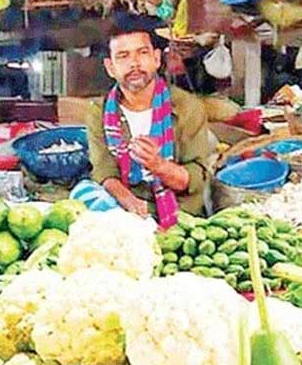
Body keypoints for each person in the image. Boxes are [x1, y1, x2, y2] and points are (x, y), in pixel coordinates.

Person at [84, 21, 212, 228]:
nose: (134, 63)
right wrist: (129, 202)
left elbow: (194, 180)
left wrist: (158, 165)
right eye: (123, 56)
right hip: (125, 217)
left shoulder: (187, 107)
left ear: (156, 58)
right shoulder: (98, 111)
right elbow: (104, 172)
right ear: (110, 67)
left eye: (142, 53)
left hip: (182, 219)